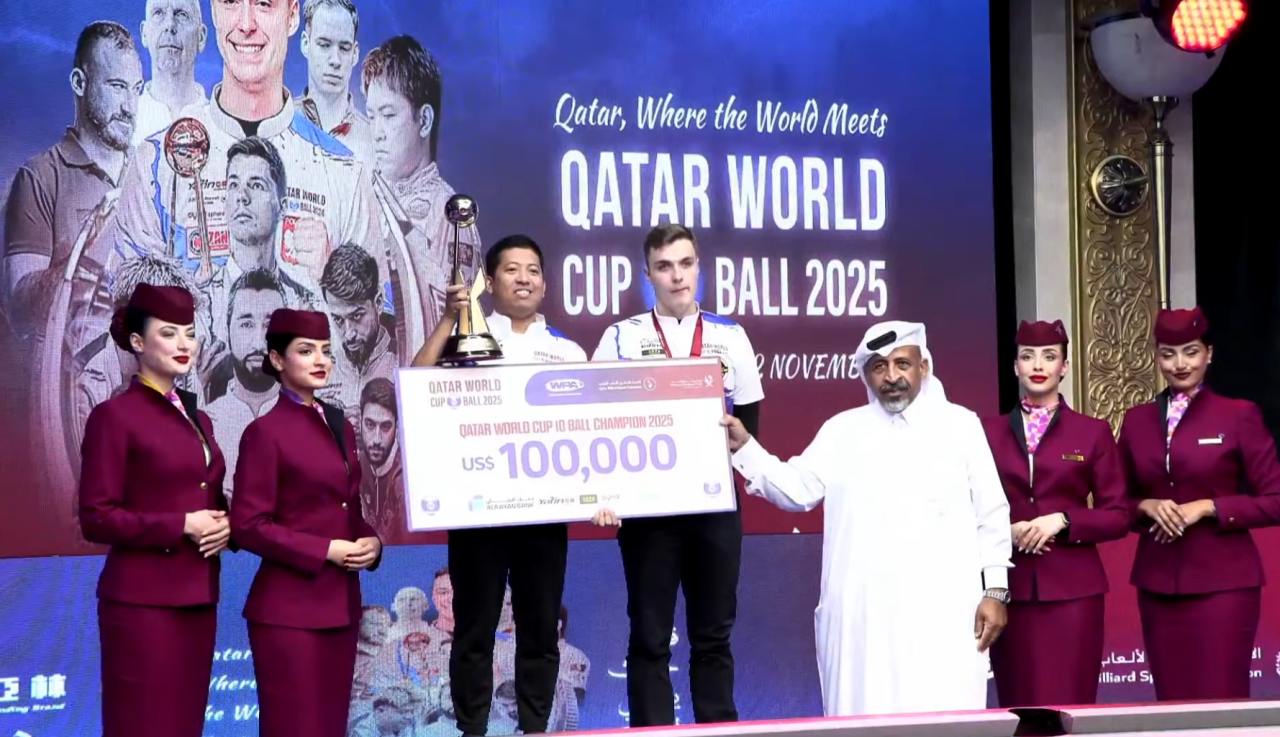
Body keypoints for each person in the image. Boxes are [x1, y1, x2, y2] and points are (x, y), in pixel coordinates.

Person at [721, 320, 1011, 717]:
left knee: (944, 716)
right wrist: (746, 449)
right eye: (879, 367)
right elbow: (798, 489)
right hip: (863, 622)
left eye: (901, 364)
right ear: (866, 375)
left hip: (941, 614)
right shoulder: (843, 431)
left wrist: (995, 591)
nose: (891, 376)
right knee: (865, 716)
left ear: (923, 367)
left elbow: (991, 513)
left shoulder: (960, 426)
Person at [411, 234, 587, 737]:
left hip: (543, 512)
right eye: (511, 270)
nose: (524, 279)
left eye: (533, 270)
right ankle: (472, 728)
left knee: (539, 630)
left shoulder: (569, 353)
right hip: (478, 510)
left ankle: (535, 728)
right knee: (474, 629)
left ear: (544, 283)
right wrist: (451, 318)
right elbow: (417, 385)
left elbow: (590, 429)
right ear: (489, 283)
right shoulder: (468, 340)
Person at [589, 224, 763, 727]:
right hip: (649, 513)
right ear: (648, 274)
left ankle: (718, 730)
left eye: (685, 264)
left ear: (698, 267)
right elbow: (594, 421)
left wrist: (735, 443)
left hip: (714, 508)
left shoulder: (731, 336)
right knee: (649, 638)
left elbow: (749, 426)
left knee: (713, 637)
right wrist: (605, 494)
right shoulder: (621, 336)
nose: (676, 275)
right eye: (664, 266)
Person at [78, 283, 230, 737]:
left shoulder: (198, 418)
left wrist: (228, 525)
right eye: (169, 333)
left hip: (198, 597)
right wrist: (182, 525)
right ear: (137, 342)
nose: (184, 344)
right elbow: (96, 516)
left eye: (190, 333)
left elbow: (207, 497)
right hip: (142, 604)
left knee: (185, 725)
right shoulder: (114, 417)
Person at [230, 308, 382, 737]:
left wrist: (372, 544)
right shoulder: (264, 432)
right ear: (277, 359)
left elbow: (346, 509)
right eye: (306, 350)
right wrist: (326, 550)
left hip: (341, 605)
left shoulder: (340, 424)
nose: (321, 360)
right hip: (288, 612)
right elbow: (248, 524)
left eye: (326, 351)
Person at [1118, 307, 1280, 701]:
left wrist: (1208, 507)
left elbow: (1274, 500)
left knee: (1221, 698)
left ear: (1209, 354)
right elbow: (1118, 503)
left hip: (1224, 584)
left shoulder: (1238, 415)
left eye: (1190, 352)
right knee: (1171, 704)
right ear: (1157, 358)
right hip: (1158, 583)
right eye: (1168, 354)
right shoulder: (1136, 420)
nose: (1180, 364)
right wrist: (1147, 506)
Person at [982, 319, 1130, 707]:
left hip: (1074, 591)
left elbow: (1119, 514)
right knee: (1019, 703)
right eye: (1027, 356)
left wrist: (1064, 520)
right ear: (1015, 365)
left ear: (1064, 367)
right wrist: (1006, 531)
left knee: (1071, 703)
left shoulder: (1092, 432)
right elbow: (964, 508)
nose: (1038, 365)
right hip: (1009, 589)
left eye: (1049, 357)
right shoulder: (985, 432)